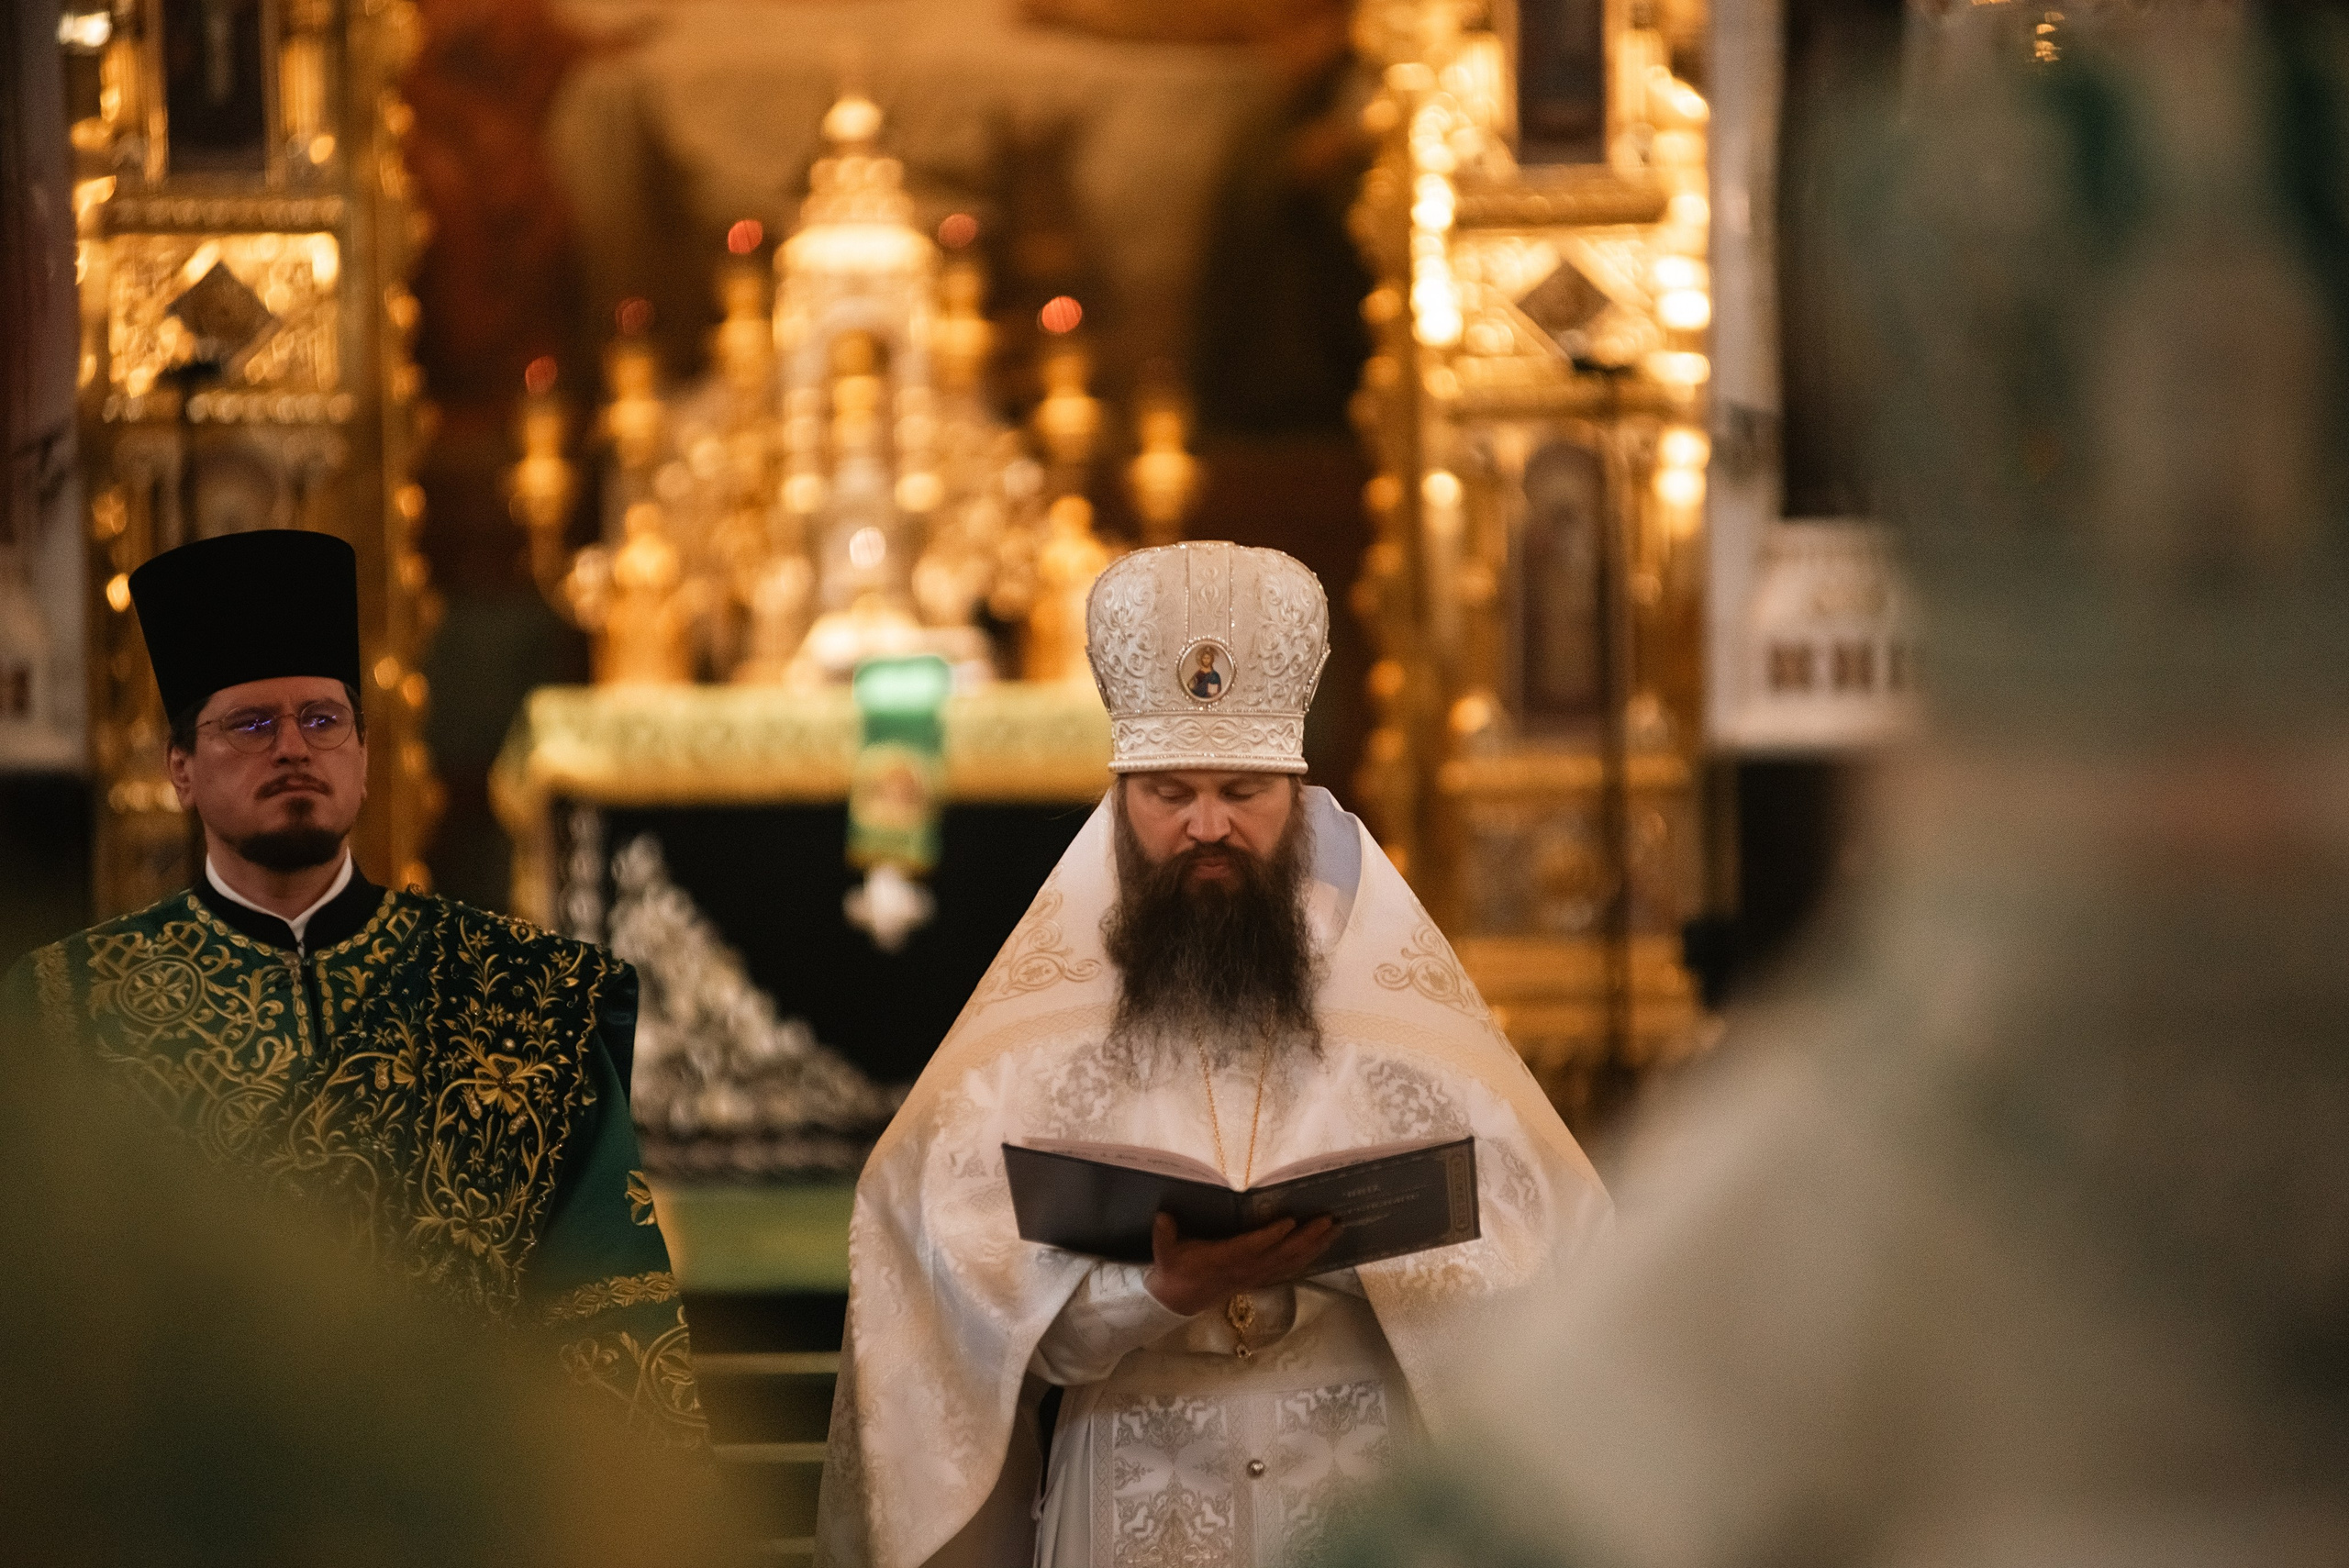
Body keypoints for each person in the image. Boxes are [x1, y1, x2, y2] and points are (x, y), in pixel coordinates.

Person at [815, 541, 1610, 1568]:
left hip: (1355, 1488)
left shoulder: (1401, 1002)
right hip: (1136, 1490)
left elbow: (1543, 1266)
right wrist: (1154, 1293)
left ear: (1297, 796)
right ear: (1118, 804)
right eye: (1168, 792)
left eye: (1242, 788)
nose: (1206, 825)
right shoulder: (1031, 1030)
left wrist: (1381, 1257)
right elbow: (950, 1324)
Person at [0, 528, 704, 1448]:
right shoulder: (67, 1009)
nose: (293, 747)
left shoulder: (526, 997)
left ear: (366, 755)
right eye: (251, 724)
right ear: (181, 768)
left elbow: (611, 1312)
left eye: (323, 719)